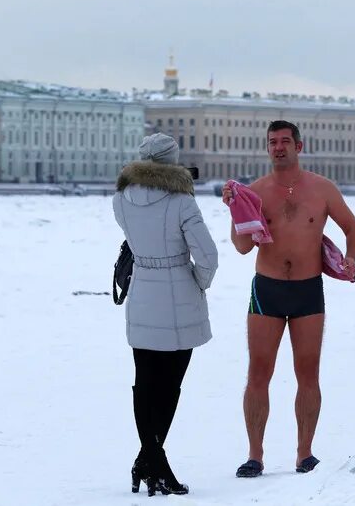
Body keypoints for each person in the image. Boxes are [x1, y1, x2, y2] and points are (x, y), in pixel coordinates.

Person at [222, 120, 355, 478]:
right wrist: (234, 209)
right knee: (258, 373)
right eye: (273, 142)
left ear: (300, 146)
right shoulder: (254, 192)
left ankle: (305, 454)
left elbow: (353, 228)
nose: (279, 147)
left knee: (308, 373)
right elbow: (240, 247)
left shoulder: (322, 189)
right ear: (267, 148)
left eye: (286, 141)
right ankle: (255, 455)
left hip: (307, 289)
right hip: (267, 289)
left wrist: (351, 257)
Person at [113, 133, 219, 496]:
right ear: (172, 161)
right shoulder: (182, 201)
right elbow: (207, 256)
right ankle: (155, 466)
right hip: (179, 298)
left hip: (142, 293)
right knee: (169, 386)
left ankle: (148, 463)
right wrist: (197, 283)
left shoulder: (120, 199)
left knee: (145, 384)